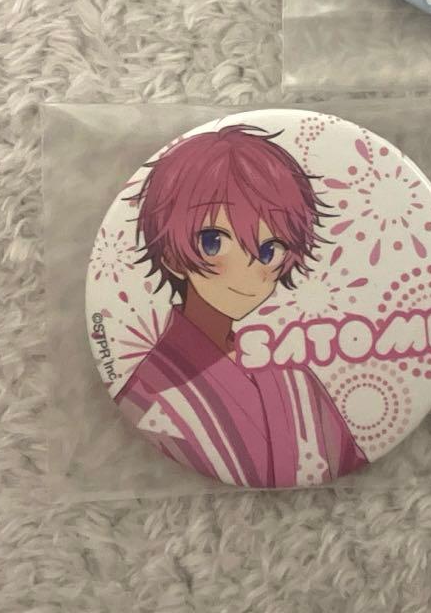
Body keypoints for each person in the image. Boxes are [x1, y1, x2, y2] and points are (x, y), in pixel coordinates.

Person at [115, 124, 367, 487]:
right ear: (170, 254)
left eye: (269, 250)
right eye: (213, 242)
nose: (247, 274)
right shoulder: (148, 396)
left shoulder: (295, 381)